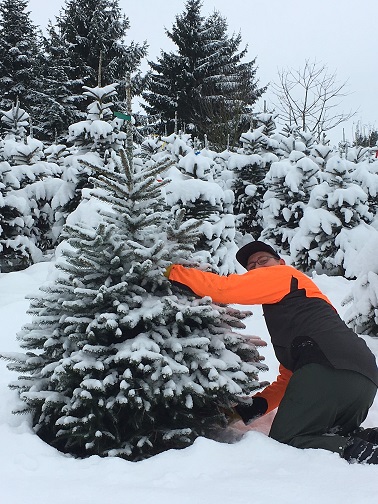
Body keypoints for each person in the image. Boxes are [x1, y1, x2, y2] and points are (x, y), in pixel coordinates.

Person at [164, 241, 378, 464]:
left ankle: (365, 455)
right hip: (363, 377)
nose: (257, 267)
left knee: (288, 439)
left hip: (329, 367)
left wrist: (171, 271)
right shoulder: (300, 307)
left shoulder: (283, 275)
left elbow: (222, 289)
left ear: (281, 262)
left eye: (263, 260)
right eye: (251, 265)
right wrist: (247, 410)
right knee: (333, 433)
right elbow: (289, 379)